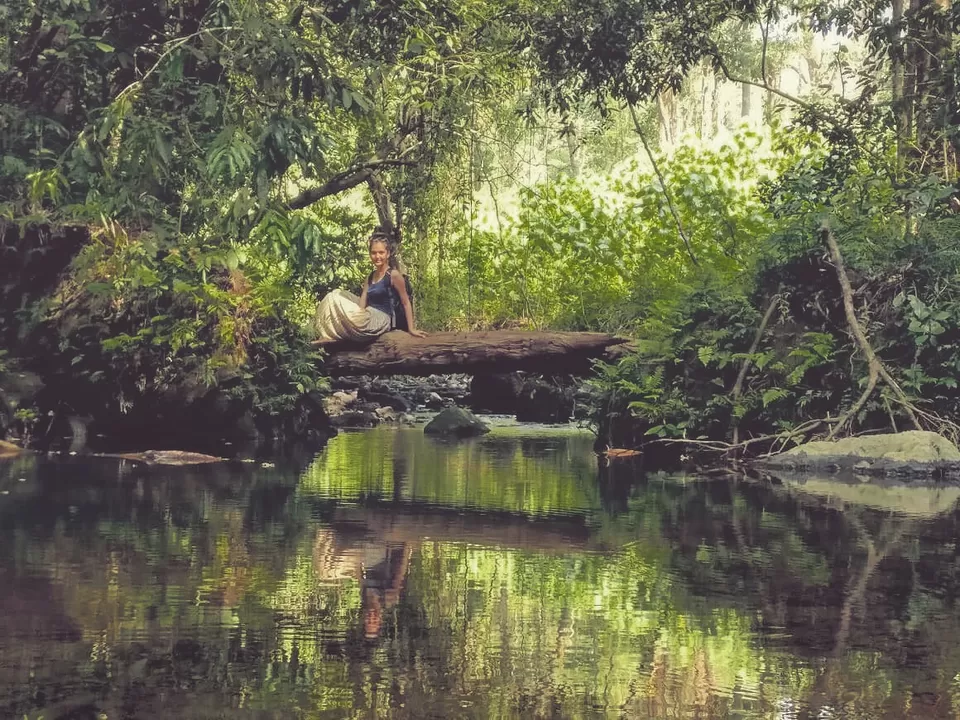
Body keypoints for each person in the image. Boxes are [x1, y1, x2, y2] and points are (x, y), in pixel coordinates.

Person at [308, 231, 427, 344]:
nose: (377, 256)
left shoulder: (394, 275)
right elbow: (361, 305)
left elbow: (406, 302)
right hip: (367, 314)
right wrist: (353, 315)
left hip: (381, 319)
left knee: (336, 300)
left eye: (381, 252)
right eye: (374, 253)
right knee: (333, 295)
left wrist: (411, 329)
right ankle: (325, 335)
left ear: (388, 254)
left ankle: (333, 332)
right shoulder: (370, 277)